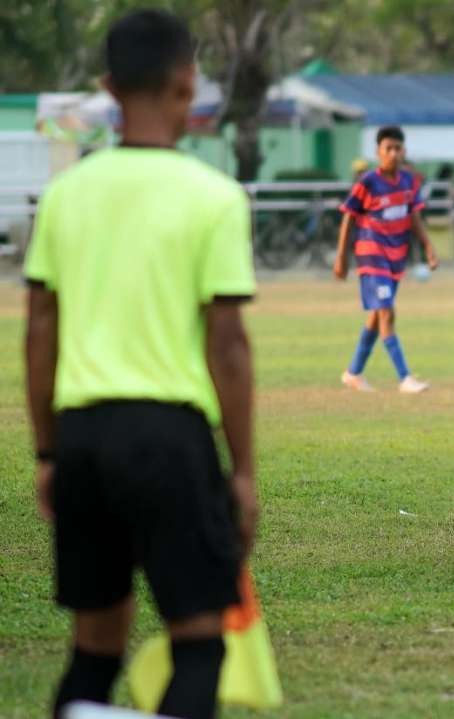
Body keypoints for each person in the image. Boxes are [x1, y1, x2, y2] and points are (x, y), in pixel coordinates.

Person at [23, 10, 257, 719]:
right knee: (198, 645)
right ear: (189, 84)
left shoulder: (66, 194)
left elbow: (39, 329)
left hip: (85, 439)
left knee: (94, 649)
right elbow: (228, 346)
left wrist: (47, 451)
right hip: (170, 440)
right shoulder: (213, 198)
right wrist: (242, 470)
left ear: (107, 87)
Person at [333, 125, 438, 394]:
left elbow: (414, 216)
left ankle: (353, 372)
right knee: (387, 313)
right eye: (387, 148)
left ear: (404, 151)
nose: (393, 153)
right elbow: (348, 217)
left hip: (395, 257)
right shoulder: (368, 182)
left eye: (397, 148)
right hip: (372, 255)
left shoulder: (408, 182)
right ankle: (405, 378)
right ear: (378, 152)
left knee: (376, 316)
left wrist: (428, 247)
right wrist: (341, 257)